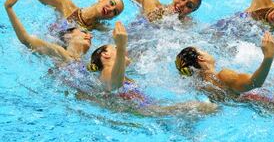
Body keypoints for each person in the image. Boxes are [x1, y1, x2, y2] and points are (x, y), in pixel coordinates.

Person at [86, 21, 217, 116]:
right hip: (148, 112)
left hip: (150, 109)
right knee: (204, 107)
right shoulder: (106, 72)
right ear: (105, 54)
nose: (125, 51)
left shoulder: (124, 76)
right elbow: (114, 84)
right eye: (114, 48)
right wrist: (120, 46)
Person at [175, 32, 274, 101]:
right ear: (201, 58)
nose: (207, 52)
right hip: (266, 104)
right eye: (203, 50)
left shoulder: (200, 86)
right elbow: (255, 83)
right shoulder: (224, 75)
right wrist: (269, 56)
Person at [5, 0, 92, 63]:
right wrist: (9, 8)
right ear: (68, 36)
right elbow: (26, 40)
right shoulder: (60, 53)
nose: (90, 36)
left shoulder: (87, 63)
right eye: (84, 32)